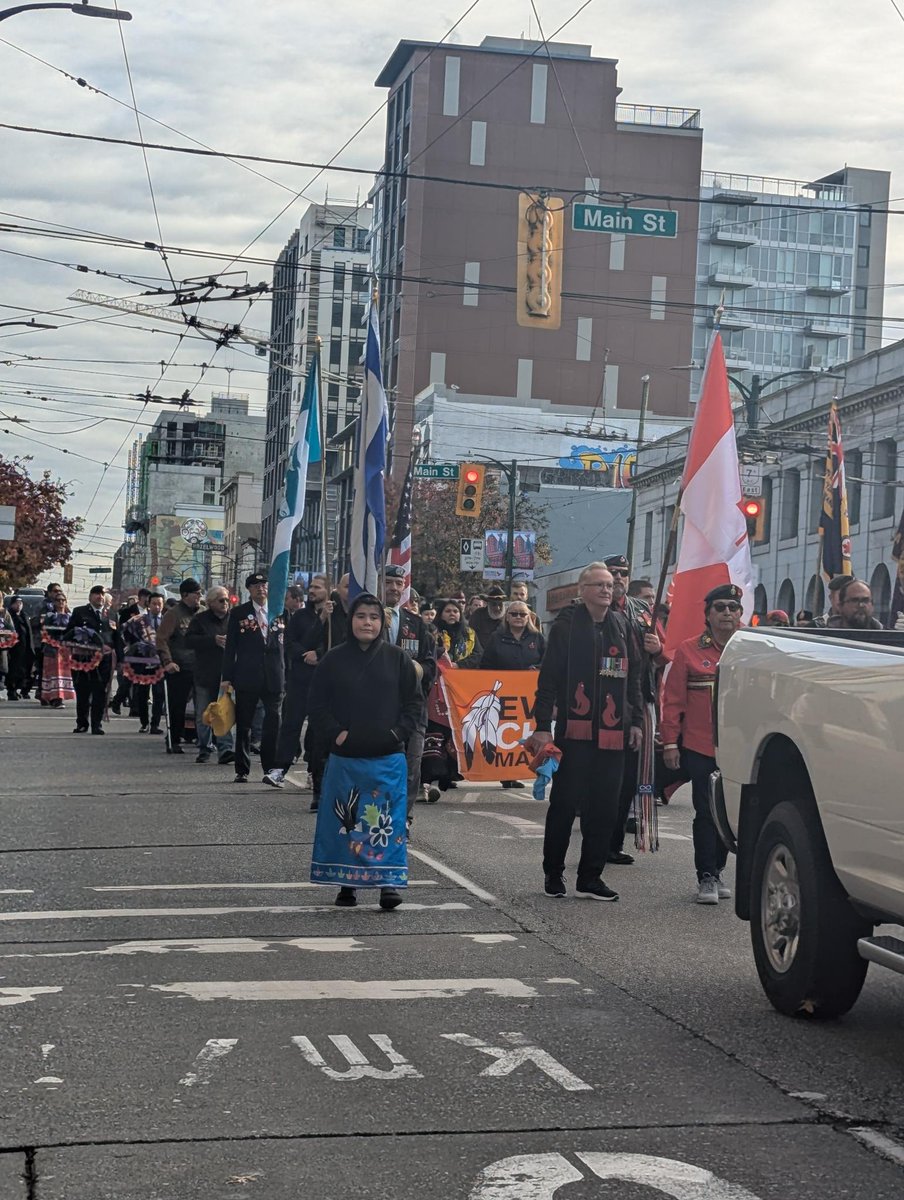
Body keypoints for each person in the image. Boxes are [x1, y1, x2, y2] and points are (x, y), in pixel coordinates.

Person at [527, 563, 643, 902]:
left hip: (613, 732)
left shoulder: (622, 625)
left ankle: (590, 876)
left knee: (605, 806)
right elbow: (547, 681)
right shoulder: (565, 626)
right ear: (583, 590)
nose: (607, 590)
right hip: (575, 732)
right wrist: (542, 728)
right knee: (564, 803)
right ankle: (553, 871)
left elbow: (634, 677)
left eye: (610, 585)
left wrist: (634, 721)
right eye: (599, 585)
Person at [308, 592, 421, 910]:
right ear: (351, 620)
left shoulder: (397, 658)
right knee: (349, 821)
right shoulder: (333, 659)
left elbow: (414, 704)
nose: (367, 622)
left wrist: (398, 732)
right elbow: (317, 705)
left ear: (381, 622)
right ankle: (347, 884)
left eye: (373, 617)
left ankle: (388, 884)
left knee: (387, 822)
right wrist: (336, 734)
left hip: (387, 757)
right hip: (346, 758)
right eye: (361, 616)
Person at [660, 583, 743, 905]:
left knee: (729, 813)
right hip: (701, 747)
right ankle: (706, 875)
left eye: (732, 607)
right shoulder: (689, 650)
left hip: (741, 749)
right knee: (707, 812)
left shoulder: (751, 650)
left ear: (740, 613)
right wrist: (670, 743)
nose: (726, 613)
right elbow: (673, 701)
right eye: (719, 607)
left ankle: (720, 869)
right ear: (707, 614)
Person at [604, 554, 664, 867]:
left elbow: (666, 655)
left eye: (623, 573)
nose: (617, 578)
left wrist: (658, 649)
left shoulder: (643, 611)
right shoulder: (588, 610)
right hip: (602, 700)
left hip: (639, 699)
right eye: (611, 572)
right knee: (602, 778)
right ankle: (596, 842)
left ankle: (615, 842)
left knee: (630, 776)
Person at [266, 574, 334, 790]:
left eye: (317, 587)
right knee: (291, 723)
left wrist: (320, 654)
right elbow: (291, 643)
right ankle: (280, 768)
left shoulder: (337, 616)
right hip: (300, 679)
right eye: (310, 587)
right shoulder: (300, 617)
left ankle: (316, 771)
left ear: (328, 590)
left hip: (324, 681)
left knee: (318, 728)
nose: (311, 591)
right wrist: (306, 653)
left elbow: (337, 644)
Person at [383, 563, 437, 821]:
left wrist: (418, 668)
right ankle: (382, 815)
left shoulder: (416, 624)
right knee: (383, 764)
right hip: (380, 708)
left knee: (412, 765)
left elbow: (431, 665)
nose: (393, 588)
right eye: (388, 582)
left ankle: (403, 819)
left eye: (398, 584)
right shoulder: (366, 621)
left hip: (412, 707)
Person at [221, 571, 285, 785]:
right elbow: (231, 648)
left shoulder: (278, 611)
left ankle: (271, 767)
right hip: (247, 676)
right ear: (249, 589)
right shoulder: (240, 613)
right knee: (245, 724)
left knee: (273, 723)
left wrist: (288, 674)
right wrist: (227, 677)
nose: (261, 588)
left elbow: (287, 645)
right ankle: (242, 769)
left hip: (274, 675)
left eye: (264, 585)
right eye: (256, 586)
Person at [482, 600, 545, 789]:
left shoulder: (538, 638)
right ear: (507, 617)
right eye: (514, 614)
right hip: (504, 695)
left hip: (529, 696)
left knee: (523, 731)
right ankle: (505, 773)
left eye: (523, 614)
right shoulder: (496, 638)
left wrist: (537, 669)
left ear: (529, 617)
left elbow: (550, 662)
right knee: (505, 732)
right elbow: (485, 665)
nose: (519, 617)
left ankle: (517, 771)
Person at [185, 586, 235, 764]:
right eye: (221, 600)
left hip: (227, 674)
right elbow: (188, 640)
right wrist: (212, 640)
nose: (225, 603)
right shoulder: (200, 620)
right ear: (211, 602)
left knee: (224, 712)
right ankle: (204, 747)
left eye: (227, 600)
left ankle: (225, 749)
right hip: (205, 672)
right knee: (203, 713)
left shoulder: (233, 619)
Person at [63, 584, 119, 734]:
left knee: (100, 692)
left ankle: (97, 724)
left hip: (104, 660)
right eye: (96, 594)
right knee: (83, 692)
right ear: (90, 597)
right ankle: (82, 723)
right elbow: (69, 633)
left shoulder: (112, 614)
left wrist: (121, 659)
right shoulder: (80, 612)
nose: (99, 597)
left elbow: (117, 638)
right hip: (84, 658)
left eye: (101, 594)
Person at [155, 578, 203, 752]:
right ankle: (174, 739)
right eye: (196, 593)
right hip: (179, 666)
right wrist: (168, 661)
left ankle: (203, 739)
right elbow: (161, 639)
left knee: (204, 706)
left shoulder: (203, 613)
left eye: (200, 593)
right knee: (177, 706)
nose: (199, 596)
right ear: (185, 595)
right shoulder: (173, 614)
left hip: (200, 667)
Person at [126, 592, 166, 733]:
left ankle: (155, 724)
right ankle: (144, 722)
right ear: (148, 605)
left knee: (159, 693)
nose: (157, 607)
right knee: (142, 693)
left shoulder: (167, 621)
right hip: (143, 662)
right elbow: (128, 635)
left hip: (160, 663)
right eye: (154, 604)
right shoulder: (139, 621)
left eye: (159, 604)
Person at [39, 593, 75, 708]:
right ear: (54, 602)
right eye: (58, 600)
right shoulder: (50, 615)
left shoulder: (70, 616)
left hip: (66, 650)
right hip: (52, 648)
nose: (61, 602)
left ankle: (60, 697)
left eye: (63, 600)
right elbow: (45, 631)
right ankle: (52, 697)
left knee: (63, 675)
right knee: (52, 674)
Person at [433, 599, 483, 666]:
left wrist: (459, 665)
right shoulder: (434, 632)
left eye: (455, 611)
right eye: (448, 611)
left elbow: (478, 655)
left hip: (463, 673)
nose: (452, 614)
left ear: (460, 615)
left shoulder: (469, 633)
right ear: (441, 615)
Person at [4, 596, 34, 700]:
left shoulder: (24, 615)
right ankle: (11, 691)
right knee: (13, 670)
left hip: (26, 647)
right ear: (12, 604)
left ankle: (20, 689)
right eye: (16, 603)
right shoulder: (9, 616)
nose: (19, 605)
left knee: (25, 670)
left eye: (20, 603)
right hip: (13, 648)